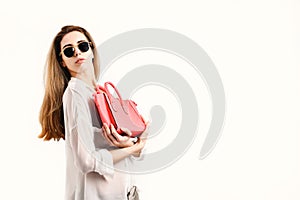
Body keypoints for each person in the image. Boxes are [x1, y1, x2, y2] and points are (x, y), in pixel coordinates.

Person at [38, 25, 148, 200]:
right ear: (62, 61)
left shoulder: (100, 93)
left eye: (82, 46)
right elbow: (86, 161)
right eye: (68, 51)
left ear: (91, 49)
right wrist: (135, 147)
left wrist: (133, 145)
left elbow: (116, 147)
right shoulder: (75, 94)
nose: (77, 53)